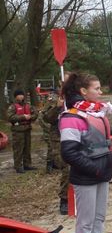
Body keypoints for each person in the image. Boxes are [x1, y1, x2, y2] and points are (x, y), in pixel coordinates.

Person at [59, 73, 112, 233]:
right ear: (84, 91)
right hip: (86, 176)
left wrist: (110, 162)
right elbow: (68, 153)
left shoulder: (97, 113)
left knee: (99, 218)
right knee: (86, 222)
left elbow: (102, 143)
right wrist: (94, 169)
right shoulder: (71, 117)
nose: (100, 92)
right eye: (96, 88)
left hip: (103, 173)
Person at [43, 84, 71, 215]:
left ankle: (78, 197)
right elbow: (47, 118)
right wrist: (58, 107)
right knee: (66, 168)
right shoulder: (53, 99)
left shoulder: (77, 96)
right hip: (59, 137)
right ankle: (64, 200)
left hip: (75, 135)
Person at [7, 90, 37, 173]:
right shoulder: (13, 106)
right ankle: (18, 166)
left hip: (27, 129)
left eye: (22, 95)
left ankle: (27, 164)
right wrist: (23, 117)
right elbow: (10, 117)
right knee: (18, 149)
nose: (21, 97)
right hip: (17, 131)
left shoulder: (28, 105)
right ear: (16, 96)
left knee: (27, 148)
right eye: (19, 95)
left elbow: (35, 113)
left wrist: (31, 117)